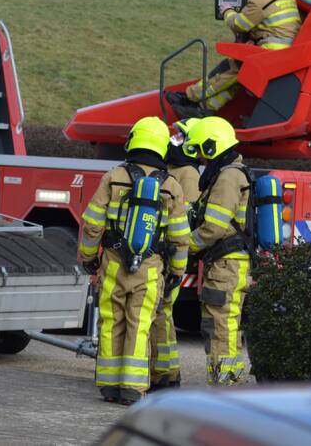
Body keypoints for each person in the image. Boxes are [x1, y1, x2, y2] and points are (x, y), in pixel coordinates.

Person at [77, 117, 189, 406]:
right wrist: (177, 271)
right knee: (140, 324)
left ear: (133, 140)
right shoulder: (172, 186)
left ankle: (109, 386)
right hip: (151, 268)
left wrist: (89, 258)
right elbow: (180, 237)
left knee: (111, 321)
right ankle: (132, 388)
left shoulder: (114, 176)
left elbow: (92, 224)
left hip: (113, 262)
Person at [167, 0, 302, 116]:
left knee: (230, 67)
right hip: (285, 53)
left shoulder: (258, 0)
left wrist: (227, 11)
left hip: (271, 53)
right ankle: (204, 109)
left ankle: (190, 97)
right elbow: (274, 27)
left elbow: (240, 24)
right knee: (238, 78)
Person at [183, 116, 251, 385]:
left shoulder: (228, 176)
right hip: (227, 264)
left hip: (226, 266)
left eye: (201, 150)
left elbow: (213, 227)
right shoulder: (230, 173)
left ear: (212, 147)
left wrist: (185, 246)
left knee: (218, 325)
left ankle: (224, 386)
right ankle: (230, 382)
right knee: (226, 325)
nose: (200, 158)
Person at [148, 118, 200, 391]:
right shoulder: (174, 169)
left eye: (180, 136)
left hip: (169, 254)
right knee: (162, 314)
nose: (174, 139)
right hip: (167, 253)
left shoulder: (187, 173)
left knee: (161, 313)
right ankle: (167, 373)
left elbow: (183, 218)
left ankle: (164, 374)